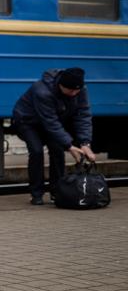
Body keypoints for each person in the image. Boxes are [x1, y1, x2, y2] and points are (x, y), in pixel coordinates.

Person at [10, 67, 96, 205]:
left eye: (77, 90)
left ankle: (57, 192)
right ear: (61, 85)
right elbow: (50, 123)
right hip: (28, 122)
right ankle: (36, 194)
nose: (74, 94)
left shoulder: (80, 90)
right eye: (71, 90)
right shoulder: (42, 91)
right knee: (36, 151)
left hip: (52, 121)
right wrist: (69, 145)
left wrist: (85, 143)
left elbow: (83, 115)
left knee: (57, 151)